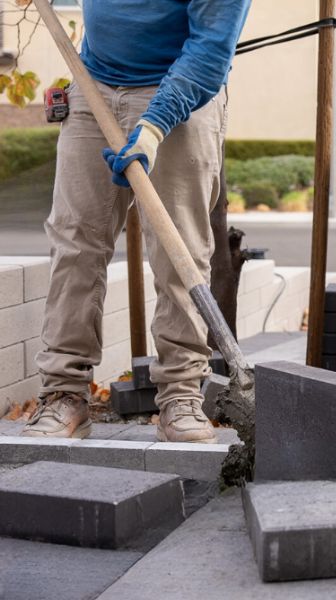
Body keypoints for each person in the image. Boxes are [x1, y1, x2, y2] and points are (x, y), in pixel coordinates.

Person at [23, 0, 251, 443]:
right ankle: (64, 394)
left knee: (178, 251)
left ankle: (181, 395)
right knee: (75, 244)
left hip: (181, 91)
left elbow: (209, 50)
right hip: (93, 85)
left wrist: (152, 128)